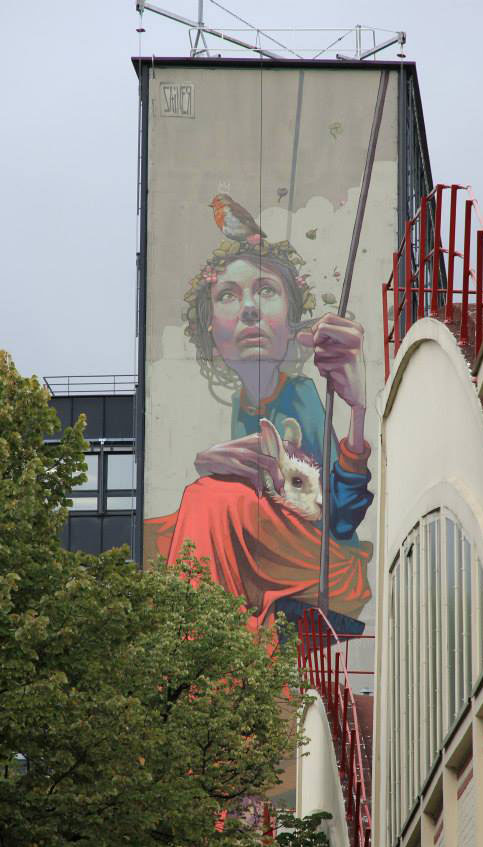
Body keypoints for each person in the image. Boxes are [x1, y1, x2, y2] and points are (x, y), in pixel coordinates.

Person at [144, 231, 374, 628]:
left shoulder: (300, 394)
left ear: (291, 323)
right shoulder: (243, 405)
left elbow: (339, 516)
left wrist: (357, 412)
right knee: (155, 537)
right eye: (228, 296)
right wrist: (211, 461)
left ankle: (209, 639)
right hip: (270, 551)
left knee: (207, 499)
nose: (249, 309)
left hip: (323, 564)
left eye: (266, 291)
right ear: (211, 332)